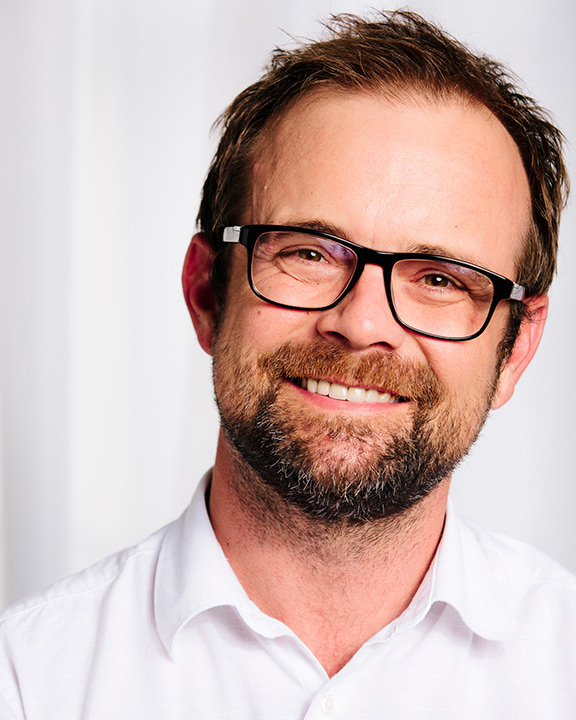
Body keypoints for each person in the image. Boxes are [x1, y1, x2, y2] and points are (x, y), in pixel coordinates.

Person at [0, 10, 574, 719]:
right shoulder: (26, 680)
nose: (363, 326)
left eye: (440, 279)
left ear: (516, 349)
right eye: (307, 253)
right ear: (207, 293)